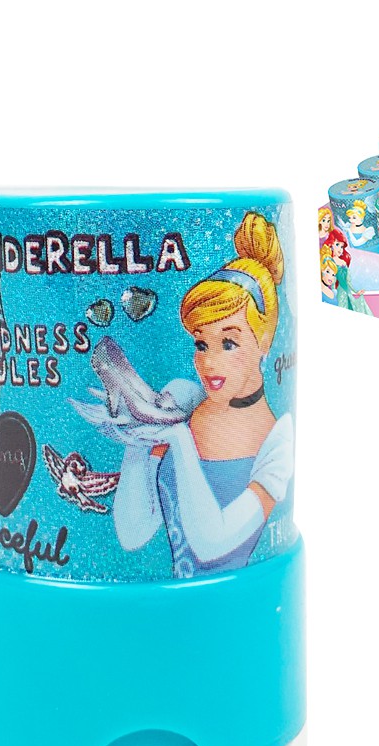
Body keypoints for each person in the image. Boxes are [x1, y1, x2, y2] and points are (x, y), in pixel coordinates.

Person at [75, 212, 294, 578]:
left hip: (234, 605)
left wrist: (178, 440)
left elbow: (211, 543)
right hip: (152, 607)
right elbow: (133, 532)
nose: (208, 363)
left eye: (228, 343)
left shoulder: (277, 442)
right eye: (201, 344)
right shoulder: (187, 402)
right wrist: (137, 435)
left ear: (265, 341)